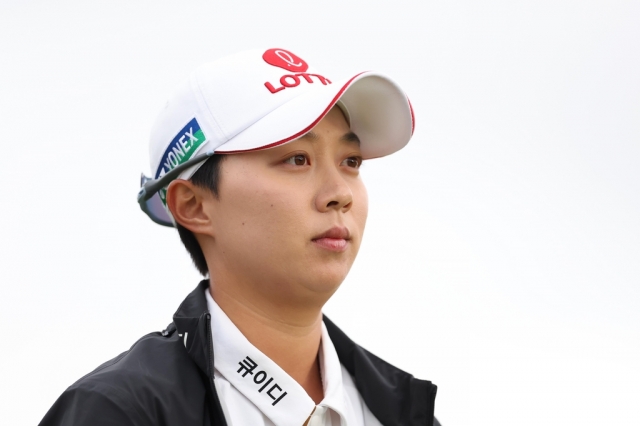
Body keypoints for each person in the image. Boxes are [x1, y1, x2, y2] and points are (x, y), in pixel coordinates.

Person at [40, 48, 440, 426]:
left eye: (350, 162)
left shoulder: (400, 413)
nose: (340, 193)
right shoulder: (117, 411)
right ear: (193, 206)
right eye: (296, 159)